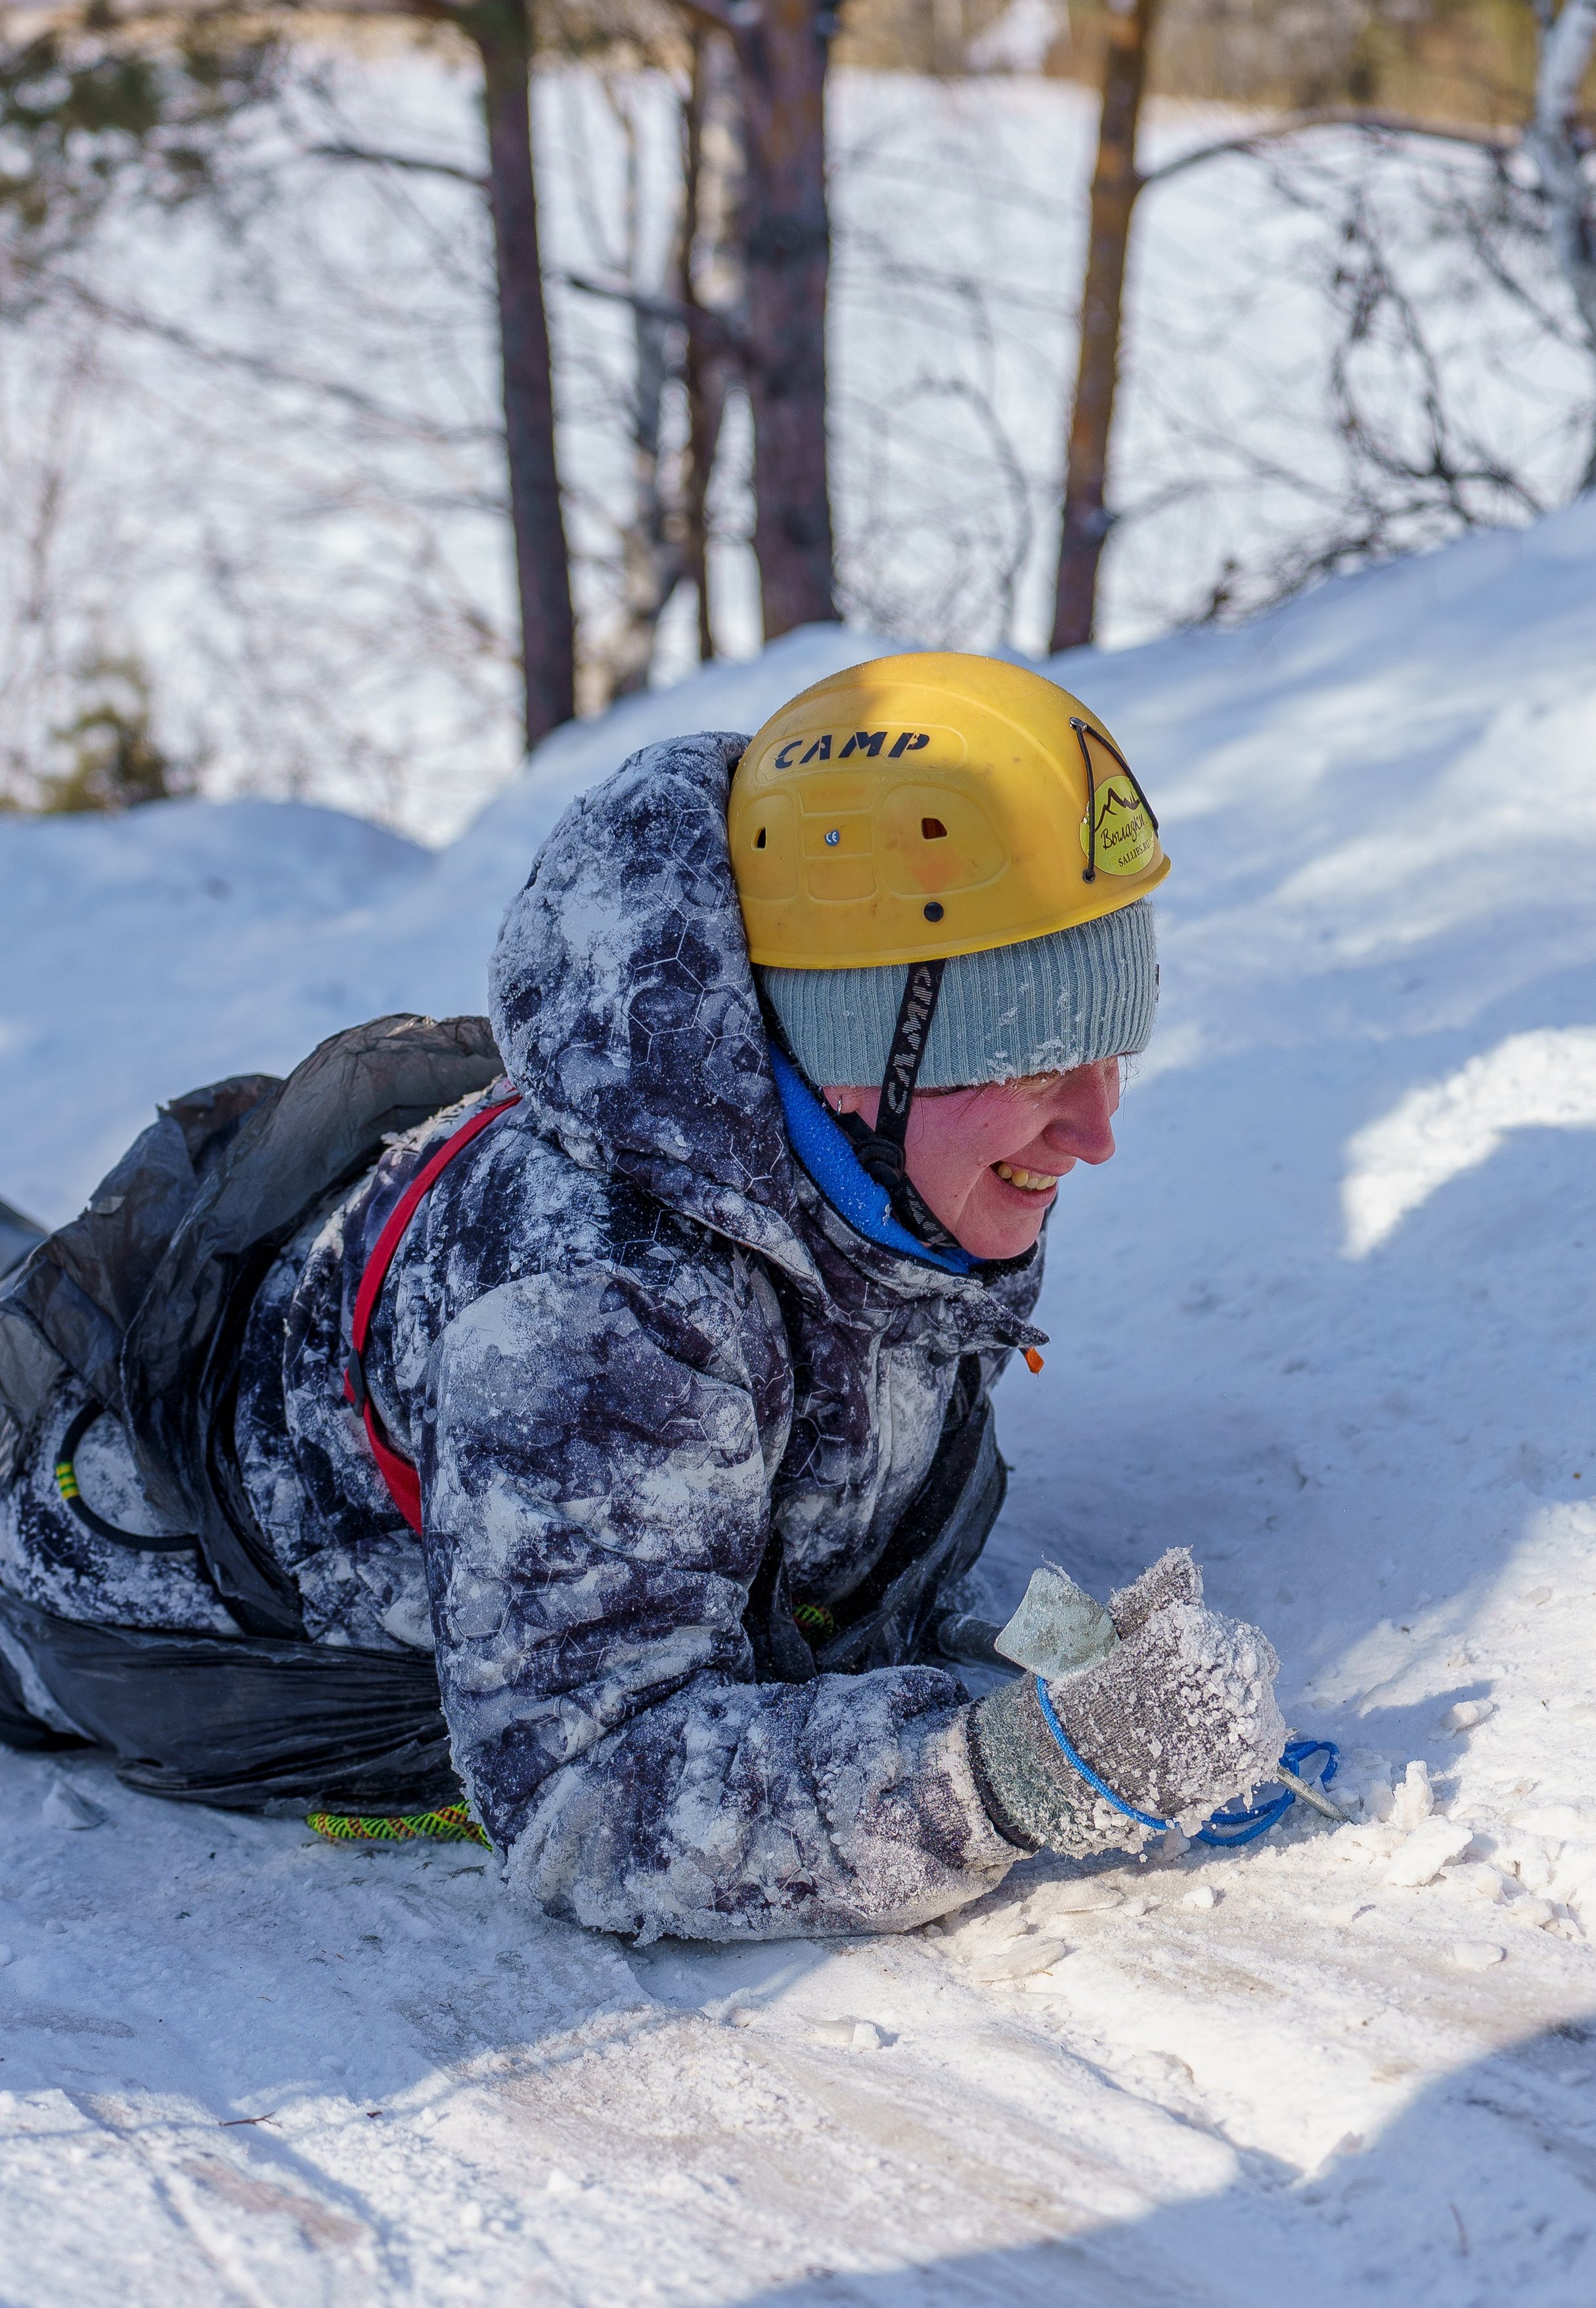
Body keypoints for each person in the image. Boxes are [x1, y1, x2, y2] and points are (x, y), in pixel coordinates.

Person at [0, 654, 1285, 1941]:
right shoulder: (591, 1314)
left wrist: (1052, 1640)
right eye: (1030, 1052)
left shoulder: (891, 1172)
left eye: (1115, 1036)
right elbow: (590, 1794)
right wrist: (1006, 1779)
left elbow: (817, 1514)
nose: (1095, 1128)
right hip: (114, 1586)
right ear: (853, 1045)